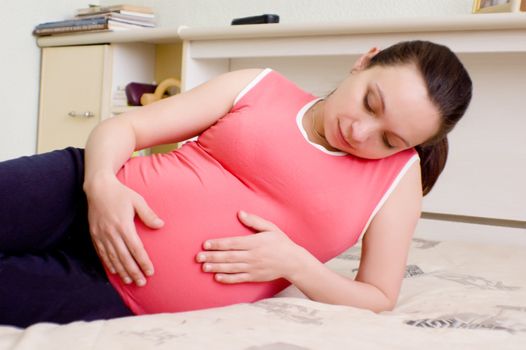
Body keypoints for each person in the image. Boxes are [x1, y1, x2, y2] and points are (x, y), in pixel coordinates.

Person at [0, 40, 472, 328]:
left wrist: (296, 264)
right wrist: (102, 185)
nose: (361, 132)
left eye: (390, 139)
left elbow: (379, 297)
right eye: (371, 103)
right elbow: (124, 129)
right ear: (364, 61)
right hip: (76, 193)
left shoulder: (398, 179)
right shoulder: (258, 86)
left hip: (116, 290)